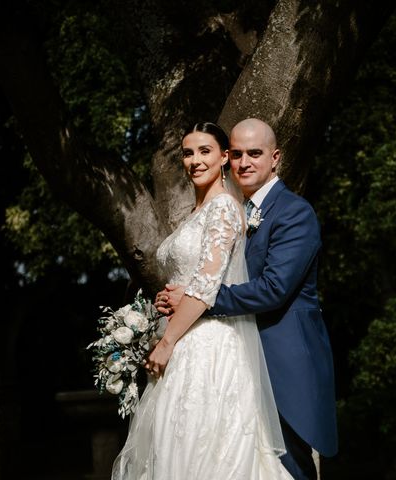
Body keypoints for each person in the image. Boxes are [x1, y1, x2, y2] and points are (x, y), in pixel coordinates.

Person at [157, 118, 338, 480]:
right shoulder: (235, 209)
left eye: (254, 153)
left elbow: (274, 288)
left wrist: (199, 299)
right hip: (234, 360)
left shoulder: (294, 212)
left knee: (287, 469)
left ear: (276, 158)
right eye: (237, 154)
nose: (244, 162)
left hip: (282, 362)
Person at [111, 122, 292, 480]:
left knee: (204, 450)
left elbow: (207, 286)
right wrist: (165, 301)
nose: (194, 160)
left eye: (204, 151)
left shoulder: (223, 208)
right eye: (188, 152)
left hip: (208, 346)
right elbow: (189, 279)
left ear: (224, 157)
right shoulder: (195, 214)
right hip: (184, 340)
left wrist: (165, 342)